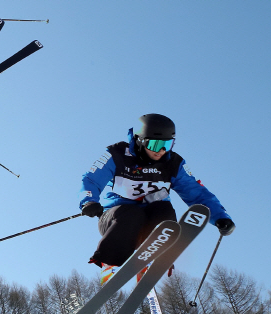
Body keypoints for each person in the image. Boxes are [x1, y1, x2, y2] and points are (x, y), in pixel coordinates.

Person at [79, 113, 235, 285]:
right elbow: (92, 178)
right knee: (131, 214)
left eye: (167, 145)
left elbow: (196, 192)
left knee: (163, 209)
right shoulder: (117, 154)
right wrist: (89, 201)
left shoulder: (173, 163)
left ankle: (155, 258)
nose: (161, 151)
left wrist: (220, 216)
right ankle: (111, 264)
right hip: (117, 220)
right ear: (140, 140)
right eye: (155, 144)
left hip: (152, 221)